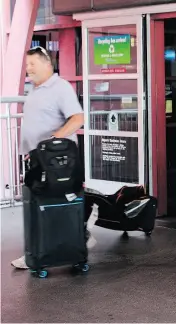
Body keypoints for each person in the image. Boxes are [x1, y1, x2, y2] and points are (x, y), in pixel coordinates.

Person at [11, 46, 90, 269]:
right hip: (36, 159)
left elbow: (77, 118)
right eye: (27, 65)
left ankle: (56, 247)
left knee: (52, 204)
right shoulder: (36, 89)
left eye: (32, 64)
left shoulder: (60, 88)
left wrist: (56, 137)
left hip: (54, 163)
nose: (28, 69)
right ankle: (36, 252)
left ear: (47, 65)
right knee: (37, 205)